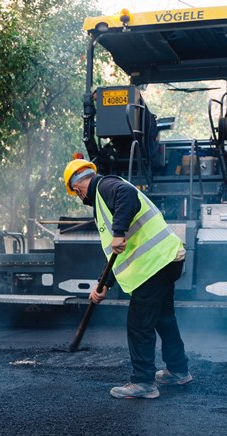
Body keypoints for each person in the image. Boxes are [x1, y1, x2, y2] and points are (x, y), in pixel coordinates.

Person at [63, 158, 193, 399]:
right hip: (167, 259)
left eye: (77, 194)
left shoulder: (106, 186)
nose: (81, 199)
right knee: (164, 317)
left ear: (78, 187)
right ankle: (178, 370)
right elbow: (116, 253)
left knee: (139, 323)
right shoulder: (104, 197)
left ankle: (143, 382)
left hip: (155, 264)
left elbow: (128, 195)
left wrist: (119, 232)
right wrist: (104, 285)